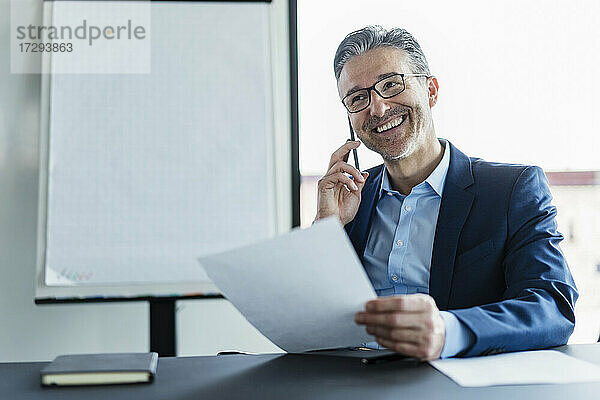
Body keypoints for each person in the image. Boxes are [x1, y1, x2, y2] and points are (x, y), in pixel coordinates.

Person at [314, 26, 578, 360]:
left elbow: (552, 307)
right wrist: (327, 226)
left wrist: (449, 330)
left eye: (391, 85)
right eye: (358, 98)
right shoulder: (350, 198)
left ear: (431, 91)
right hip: (351, 382)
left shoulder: (512, 190)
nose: (378, 109)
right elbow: (309, 323)